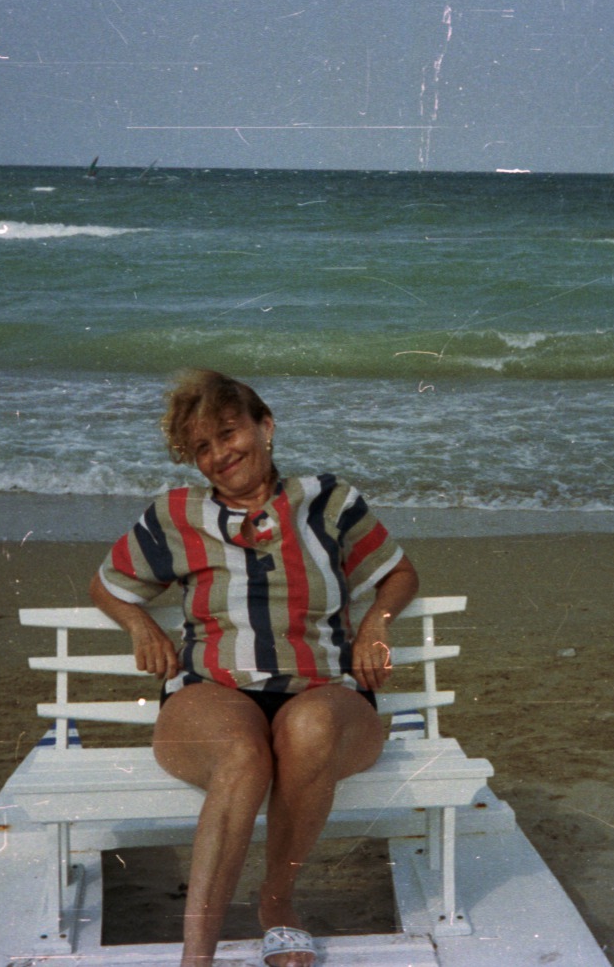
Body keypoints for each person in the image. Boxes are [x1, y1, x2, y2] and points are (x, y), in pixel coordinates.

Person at [89, 369, 419, 967]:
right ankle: (197, 959)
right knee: (244, 754)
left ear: (266, 427)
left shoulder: (329, 501)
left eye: (228, 433)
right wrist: (141, 625)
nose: (219, 455)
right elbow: (108, 584)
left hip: (327, 693)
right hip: (210, 692)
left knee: (308, 729)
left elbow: (398, 572)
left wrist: (376, 624)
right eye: (202, 448)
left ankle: (277, 903)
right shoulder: (175, 515)